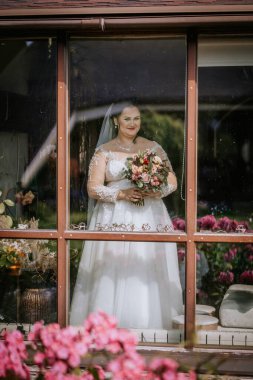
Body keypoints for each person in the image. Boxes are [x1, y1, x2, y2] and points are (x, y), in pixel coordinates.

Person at [70, 102, 183, 329]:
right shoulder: (104, 150)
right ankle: (106, 327)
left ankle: (150, 325)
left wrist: (154, 190)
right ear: (115, 121)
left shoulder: (153, 147)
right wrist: (121, 193)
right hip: (114, 215)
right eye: (127, 119)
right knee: (113, 268)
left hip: (149, 214)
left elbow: (172, 181)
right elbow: (93, 188)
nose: (133, 124)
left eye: (137, 118)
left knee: (146, 266)